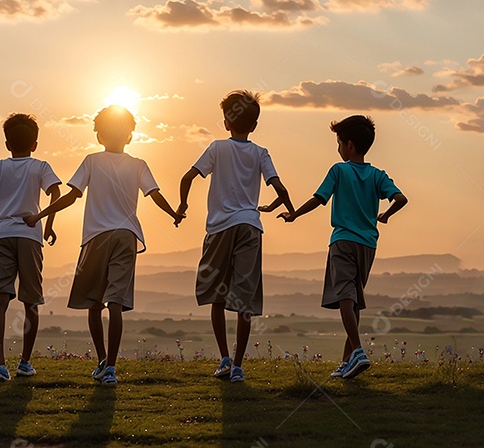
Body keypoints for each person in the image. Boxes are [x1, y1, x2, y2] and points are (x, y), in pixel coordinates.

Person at [24, 105, 179, 386]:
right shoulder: (139, 164)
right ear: (130, 136)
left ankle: (101, 361)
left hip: (97, 237)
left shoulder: (92, 161)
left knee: (94, 304)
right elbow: (155, 194)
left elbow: (72, 196)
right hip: (127, 236)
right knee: (116, 303)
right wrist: (174, 215)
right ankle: (111, 368)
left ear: (98, 135)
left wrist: (40, 216)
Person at [275, 115, 407, 379]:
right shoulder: (377, 175)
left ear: (348, 144)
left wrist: (294, 216)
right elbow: (401, 198)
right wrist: (387, 214)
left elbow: (319, 198)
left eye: (338, 142)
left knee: (345, 296)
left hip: (343, 240)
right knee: (354, 301)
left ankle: (357, 351)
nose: (337, 148)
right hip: (368, 244)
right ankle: (348, 362)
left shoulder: (339, 170)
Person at [177, 90, 294, 383]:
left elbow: (187, 177)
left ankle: (224, 359)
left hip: (219, 228)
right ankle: (239, 366)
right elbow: (281, 189)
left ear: (226, 122)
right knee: (244, 298)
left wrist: (183, 205)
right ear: (254, 125)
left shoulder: (216, 148)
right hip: (250, 226)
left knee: (216, 294)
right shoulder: (261, 153)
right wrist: (285, 210)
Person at [0, 113, 61, 382]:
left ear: (7, 144)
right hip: (30, 236)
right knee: (31, 301)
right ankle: (25, 362)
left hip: (2, 236)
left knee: (1, 299)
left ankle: (0, 365)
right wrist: (46, 223)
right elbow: (56, 193)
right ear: (35, 143)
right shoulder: (41, 166)